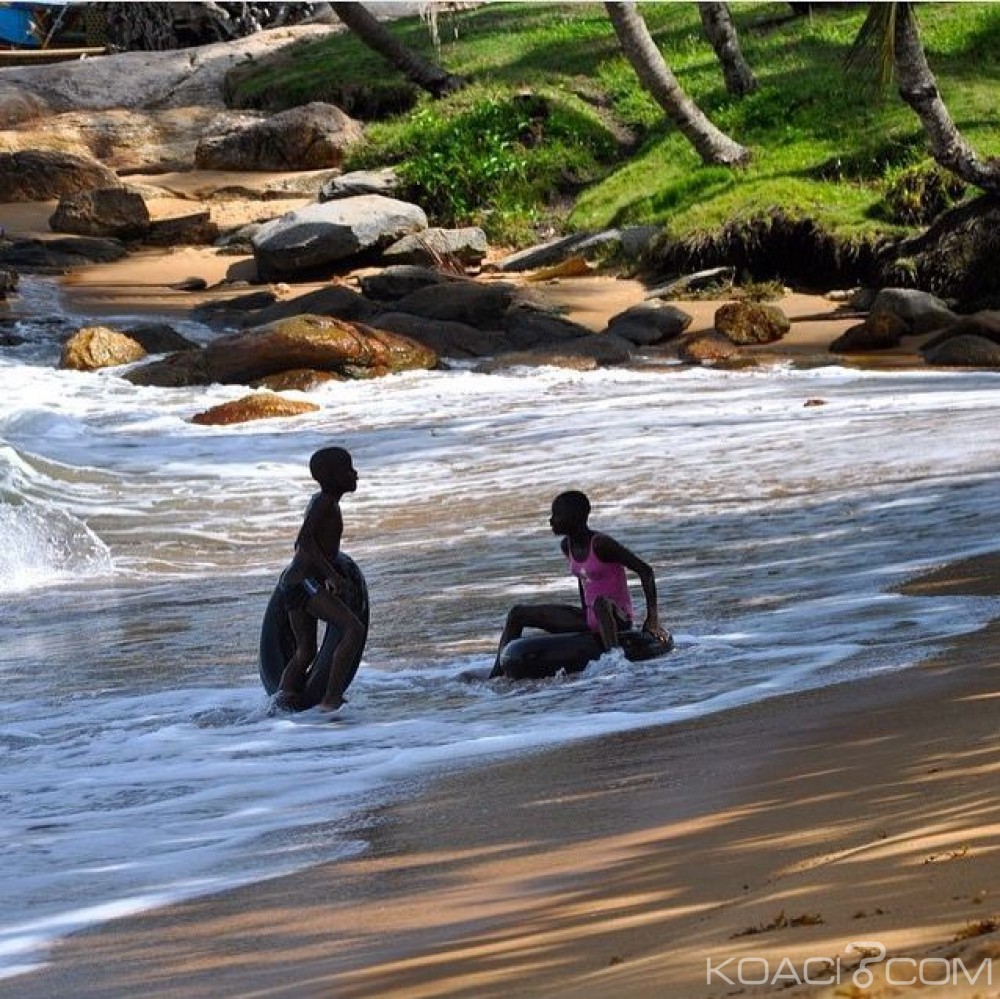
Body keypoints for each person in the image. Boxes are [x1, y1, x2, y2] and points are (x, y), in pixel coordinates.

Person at [489, 490, 667, 678]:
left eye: (556, 515)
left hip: (616, 616)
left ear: (573, 518)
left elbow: (646, 571)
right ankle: (496, 674)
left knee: (600, 603)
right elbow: (583, 582)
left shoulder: (600, 544)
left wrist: (652, 620)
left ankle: (615, 661)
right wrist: (585, 618)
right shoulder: (567, 545)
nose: (551, 521)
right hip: (590, 615)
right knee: (517, 613)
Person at [275, 446, 365, 712]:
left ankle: (282, 700)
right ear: (334, 476)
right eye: (349, 469)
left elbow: (312, 544)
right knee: (353, 629)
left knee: (306, 651)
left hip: (294, 582)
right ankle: (331, 698)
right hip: (303, 583)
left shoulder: (323, 501)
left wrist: (325, 572)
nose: (356, 474)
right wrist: (332, 576)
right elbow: (303, 540)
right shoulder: (325, 503)